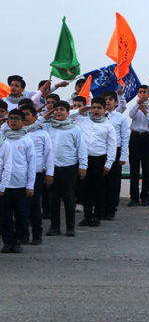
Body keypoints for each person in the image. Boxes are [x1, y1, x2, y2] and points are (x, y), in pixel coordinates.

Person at [44, 100, 87, 237]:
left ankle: (70, 227)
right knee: (53, 198)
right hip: (52, 169)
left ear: (68, 113)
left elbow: (81, 148)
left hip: (69, 167)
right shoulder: (47, 127)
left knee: (69, 197)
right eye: (56, 109)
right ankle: (54, 226)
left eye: (62, 109)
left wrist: (83, 166)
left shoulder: (74, 129)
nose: (58, 112)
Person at [75, 97, 117, 227]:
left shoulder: (108, 126)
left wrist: (108, 164)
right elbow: (69, 117)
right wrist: (81, 109)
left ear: (105, 110)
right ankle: (87, 216)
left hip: (100, 160)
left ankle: (97, 216)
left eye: (99, 108)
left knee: (98, 190)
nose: (96, 110)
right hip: (85, 160)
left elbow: (112, 146)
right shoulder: (82, 121)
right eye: (93, 107)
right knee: (85, 190)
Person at [1, 109, 36, 253]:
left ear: (23, 122)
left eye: (16, 119)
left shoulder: (27, 140)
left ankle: (18, 240)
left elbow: (31, 163)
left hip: (21, 183)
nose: (13, 121)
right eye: (11, 119)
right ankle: (8, 241)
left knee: (21, 214)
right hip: (4, 185)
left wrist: (30, 185)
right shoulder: (3, 139)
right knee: (4, 215)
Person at [21, 105, 54, 245]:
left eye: (27, 114)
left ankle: (37, 235)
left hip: (36, 174)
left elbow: (49, 155)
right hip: (18, 176)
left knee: (35, 206)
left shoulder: (42, 134)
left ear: (35, 117)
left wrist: (50, 174)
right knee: (20, 208)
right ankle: (22, 236)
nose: (24, 118)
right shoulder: (14, 133)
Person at [102, 90, 129, 219]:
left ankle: (111, 208)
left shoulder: (120, 118)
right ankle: (100, 207)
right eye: (105, 99)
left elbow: (125, 137)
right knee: (101, 180)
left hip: (116, 151)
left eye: (110, 99)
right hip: (100, 151)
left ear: (115, 102)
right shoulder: (97, 116)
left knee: (113, 181)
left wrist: (123, 155)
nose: (107, 101)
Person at [128, 85, 149, 206]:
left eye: (145, 92)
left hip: (147, 137)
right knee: (134, 168)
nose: (142, 94)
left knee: (147, 168)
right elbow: (130, 115)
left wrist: (146, 112)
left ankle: (145, 196)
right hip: (135, 137)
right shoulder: (134, 106)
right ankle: (133, 197)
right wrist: (138, 105)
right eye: (140, 92)